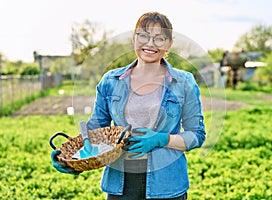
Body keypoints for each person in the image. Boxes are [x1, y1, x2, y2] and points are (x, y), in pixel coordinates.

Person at [51, 11, 206, 200]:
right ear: (134, 39)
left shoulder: (184, 82)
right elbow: (96, 129)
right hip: (120, 183)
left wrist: (161, 139)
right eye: (144, 36)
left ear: (169, 44)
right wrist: (74, 159)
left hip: (167, 184)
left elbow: (196, 135)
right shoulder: (111, 81)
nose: (150, 43)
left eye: (159, 38)